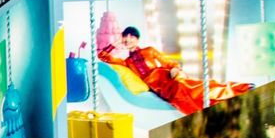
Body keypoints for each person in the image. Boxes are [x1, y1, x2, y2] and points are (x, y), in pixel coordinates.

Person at [97, 25, 250, 114]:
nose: (128, 39)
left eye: (132, 36)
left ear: (137, 39)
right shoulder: (126, 62)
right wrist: (115, 43)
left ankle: (238, 89)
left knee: (190, 87)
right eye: (126, 36)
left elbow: (167, 62)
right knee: (183, 96)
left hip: (166, 76)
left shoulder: (149, 50)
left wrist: (175, 69)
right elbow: (102, 56)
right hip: (157, 87)